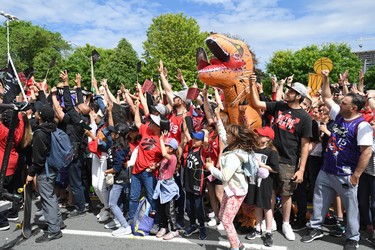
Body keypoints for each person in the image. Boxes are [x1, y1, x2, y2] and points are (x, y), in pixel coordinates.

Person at [301, 70, 373, 250]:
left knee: (352, 208)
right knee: (319, 201)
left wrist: (356, 175)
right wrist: (325, 79)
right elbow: (326, 97)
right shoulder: (340, 115)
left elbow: (366, 152)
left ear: (353, 108)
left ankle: (353, 237)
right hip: (327, 170)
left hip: (346, 174)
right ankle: (316, 228)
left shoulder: (362, 125)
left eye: (344, 102)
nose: (339, 103)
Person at [250, 74, 312, 241]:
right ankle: (271, 223)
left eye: (291, 91)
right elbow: (257, 103)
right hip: (271, 157)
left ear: (298, 96)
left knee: (286, 194)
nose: (287, 92)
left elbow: (305, 146)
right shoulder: (279, 106)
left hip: (288, 161)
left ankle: (286, 223)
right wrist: (252, 84)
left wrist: (301, 169)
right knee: (268, 190)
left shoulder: (305, 118)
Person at [206, 124, 258, 250]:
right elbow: (223, 134)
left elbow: (224, 176)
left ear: (234, 138)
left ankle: (235, 246)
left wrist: (210, 168)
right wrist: (218, 117)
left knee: (227, 220)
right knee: (223, 217)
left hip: (236, 191)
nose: (225, 136)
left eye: (229, 134)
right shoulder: (233, 147)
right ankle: (238, 244)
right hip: (231, 189)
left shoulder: (233, 157)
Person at [26, 104, 64, 243]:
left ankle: (54, 230)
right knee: (51, 196)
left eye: (37, 112)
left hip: (45, 171)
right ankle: (58, 222)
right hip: (53, 168)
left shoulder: (40, 134)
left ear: (40, 116)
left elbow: (38, 158)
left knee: (47, 199)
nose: (35, 113)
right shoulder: (52, 128)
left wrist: (31, 173)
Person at [245, 126, 279, 247]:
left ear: (268, 139)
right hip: (254, 181)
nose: (257, 136)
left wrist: (262, 165)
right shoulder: (254, 149)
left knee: (266, 206)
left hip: (265, 182)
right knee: (257, 205)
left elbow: (275, 169)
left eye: (260, 135)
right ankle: (257, 228)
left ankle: (268, 232)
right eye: (258, 134)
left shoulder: (271, 152)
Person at [152, 134, 180, 240]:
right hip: (162, 186)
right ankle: (164, 227)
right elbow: (160, 165)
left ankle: (174, 230)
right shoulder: (165, 159)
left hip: (169, 187)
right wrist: (155, 166)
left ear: (171, 148)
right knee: (162, 209)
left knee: (170, 210)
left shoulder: (172, 157)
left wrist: (160, 140)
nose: (164, 146)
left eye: (166, 145)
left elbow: (164, 152)